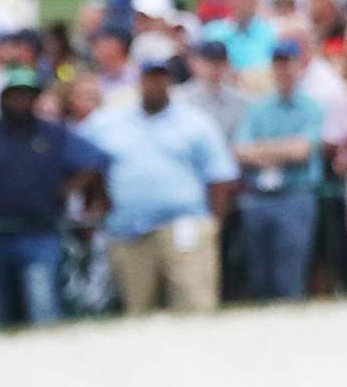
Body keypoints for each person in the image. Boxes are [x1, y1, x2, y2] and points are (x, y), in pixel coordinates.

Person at [80, 41, 240, 314]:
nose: (155, 85)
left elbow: (221, 177)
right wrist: (99, 201)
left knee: (195, 308)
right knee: (139, 311)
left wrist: (213, 224)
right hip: (128, 230)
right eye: (149, 78)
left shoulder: (196, 123)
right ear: (139, 81)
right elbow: (84, 163)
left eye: (161, 79)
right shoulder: (108, 123)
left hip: (185, 225)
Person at [0, 67, 106, 326]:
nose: (20, 101)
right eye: (15, 95)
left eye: (27, 95)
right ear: (3, 97)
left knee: (42, 304)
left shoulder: (53, 134)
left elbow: (95, 160)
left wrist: (68, 188)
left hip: (39, 231)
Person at [231, 41, 326, 301]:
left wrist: (261, 149)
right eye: (278, 64)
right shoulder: (257, 108)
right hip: (258, 197)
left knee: (290, 275)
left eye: (288, 63)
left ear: (299, 66)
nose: (283, 70)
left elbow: (302, 151)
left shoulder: (312, 107)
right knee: (259, 276)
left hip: (295, 195)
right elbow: (240, 151)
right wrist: (282, 150)